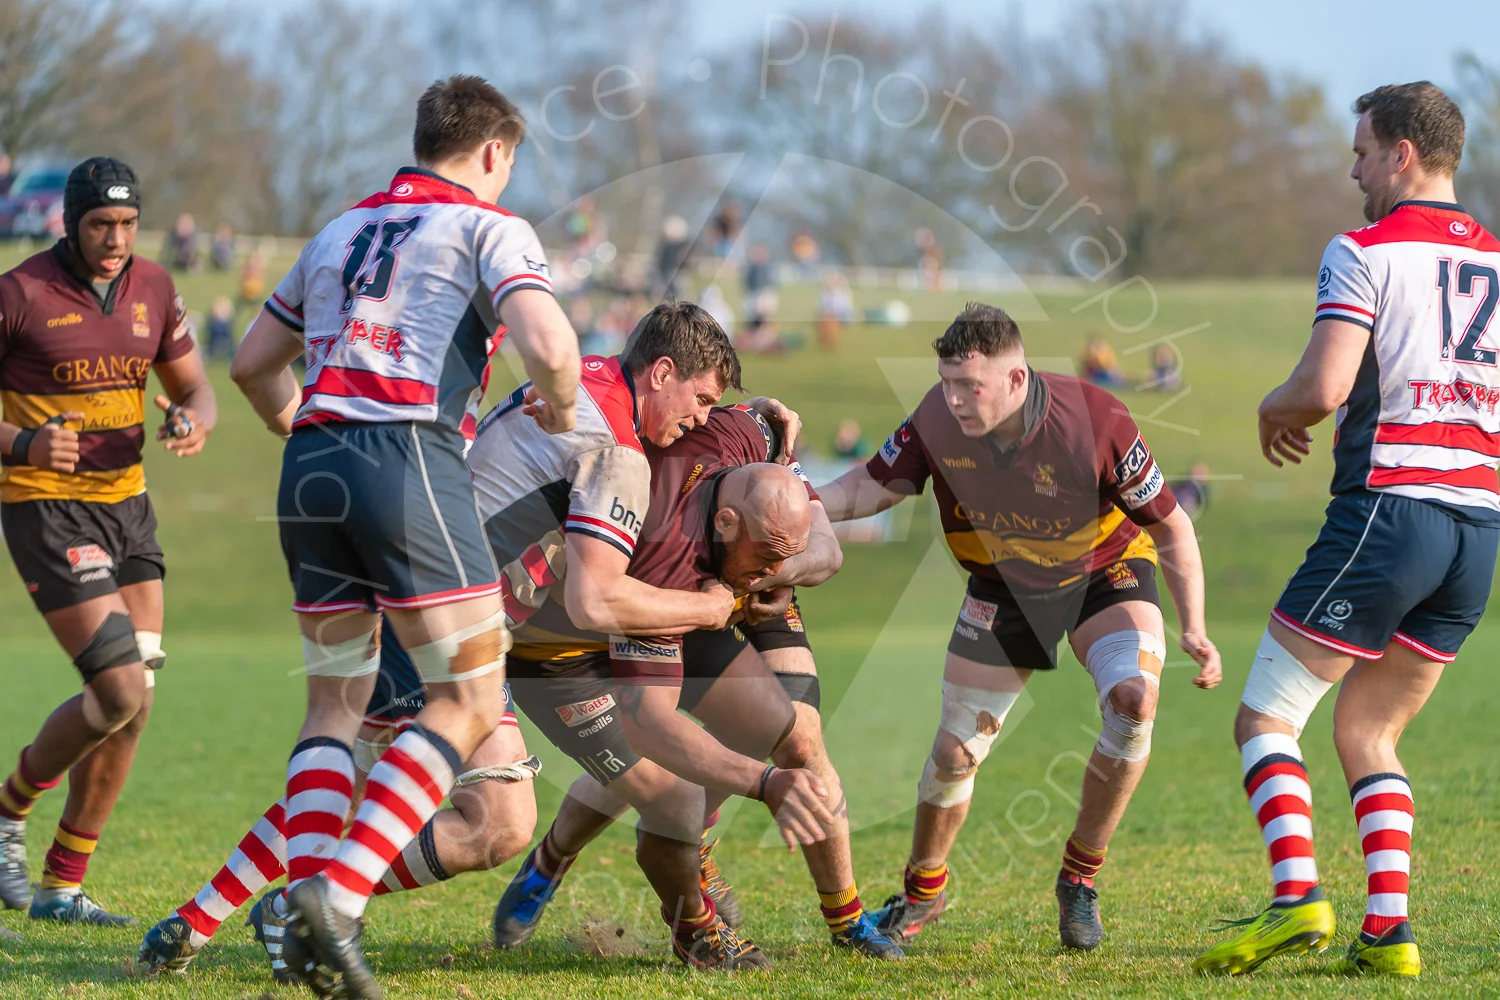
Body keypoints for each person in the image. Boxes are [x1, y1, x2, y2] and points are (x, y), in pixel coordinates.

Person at [228, 75, 581, 999]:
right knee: (468, 697)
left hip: (309, 466)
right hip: (408, 453)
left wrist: (302, 427)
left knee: (334, 708)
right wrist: (563, 399)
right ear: (495, 153)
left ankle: (310, 918)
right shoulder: (488, 227)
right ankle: (337, 901)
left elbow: (252, 363)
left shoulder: (337, 230)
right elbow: (548, 344)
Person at [1195, 82, 1497, 980]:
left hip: (1391, 513)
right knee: (1369, 732)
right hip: (1479, 528)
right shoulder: (1496, 258)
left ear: (1402, 152)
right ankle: (1389, 935)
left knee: (1264, 719)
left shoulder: (1362, 249)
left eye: (1362, 150)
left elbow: (1325, 388)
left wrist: (1271, 406)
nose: (1352, 167)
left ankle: (1296, 900)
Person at [817, 302, 1221, 951]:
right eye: (947, 382)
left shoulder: (1095, 420)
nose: (954, 399)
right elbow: (874, 486)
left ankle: (1079, 879)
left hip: (1104, 571)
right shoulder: (937, 417)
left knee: (1133, 700)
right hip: (1005, 587)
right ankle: (925, 892)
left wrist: (1194, 628)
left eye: (969, 385)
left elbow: (1171, 523)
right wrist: (806, 503)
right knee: (955, 754)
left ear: (1017, 378)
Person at [490, 402, 902, 962]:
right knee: (668, 793)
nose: (694, 413)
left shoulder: (751, 435)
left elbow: (823, 550)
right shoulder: (662, 544)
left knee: (789, 731)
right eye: (766, 556)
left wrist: (772, 573)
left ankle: (845, 919)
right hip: (583, 630)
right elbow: (651, 723)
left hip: (718, 583)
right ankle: (654, 897)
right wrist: (762, 784)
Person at [0, 157, 216, 927]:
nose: (116, 239)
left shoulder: (155, 288)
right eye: (101, 224)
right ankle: (9, 806)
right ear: (70, 222)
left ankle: (62, 884)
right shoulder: (19, 294)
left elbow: (196, 386)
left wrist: (192, 420)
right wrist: (23, 446)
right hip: (46, 510)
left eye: (127, 224)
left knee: (137, 701)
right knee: (119, 689)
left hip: (130, 511)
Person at [137, 623, 541, 980]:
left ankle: (197, 919)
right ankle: (304, 905)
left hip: (405, 606)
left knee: (352, 786)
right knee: (498, 823)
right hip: (442, 609)